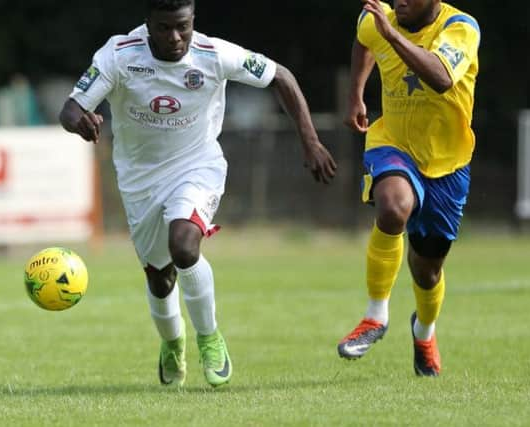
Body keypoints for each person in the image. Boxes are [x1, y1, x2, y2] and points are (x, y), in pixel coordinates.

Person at [59, 0, 336, 388]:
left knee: (185, 247)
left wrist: (310, 142)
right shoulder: (119, 55)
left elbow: (281, 76)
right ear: (147, 24)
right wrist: (82, 122)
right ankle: (173, 343)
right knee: (160, 277)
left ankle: (210, 338)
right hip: (140, 180)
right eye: (164, 28)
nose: (175, 37)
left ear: (193, 22)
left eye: (183, 27)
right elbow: (70, 110)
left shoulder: (214, 54)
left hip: (197, 165)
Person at [338, 0, 479, 376]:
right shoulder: (379, 17)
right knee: (392, 207)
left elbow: (440, 77)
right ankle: (375, 316)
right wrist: (356, 93)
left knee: (428, 270)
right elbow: (363, 39)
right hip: (393, 143)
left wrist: (391, 34)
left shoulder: (461, 28)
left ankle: (424, 331)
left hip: (448, 162)